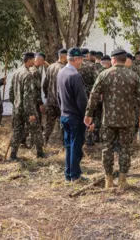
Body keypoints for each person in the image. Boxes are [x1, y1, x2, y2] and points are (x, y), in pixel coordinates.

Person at [85, 49, 140, 189]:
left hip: (108, 119)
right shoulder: (133, 76)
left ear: (113, 60)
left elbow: (94, 95)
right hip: (127, 120)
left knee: (107, 148)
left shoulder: (104, 74)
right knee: (125, 148)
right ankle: (122, 180)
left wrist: (88, 114)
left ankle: (109, 180)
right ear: (125, 60)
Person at [58, 48, 88, 182]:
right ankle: (75, 175)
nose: (82, 61)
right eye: (81, 59)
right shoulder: (75, 76)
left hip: (65, 114)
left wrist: (62, 110)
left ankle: (68, 173)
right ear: (76, 59)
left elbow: (58, 95)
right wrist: (87, 117)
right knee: (75, 146)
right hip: (75, 117)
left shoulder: (61, 72)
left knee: (69, 146)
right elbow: (82, 100)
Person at [8, 52, 45, 161]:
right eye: (33, 59)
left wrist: (15, 103)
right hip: (26, 109)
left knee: (17, 130)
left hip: (17, 108)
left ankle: (13, 155)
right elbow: (28, 96)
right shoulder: (27, 75)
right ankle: (40, 152)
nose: (34, 61)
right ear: (29, 60)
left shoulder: (17, 72)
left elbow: (11, 91)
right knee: (36, 129)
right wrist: (31, 113)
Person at [42, 49, 68, 144]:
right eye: (67, 56)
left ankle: (44, 141)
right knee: (63, 123)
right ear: (63, 56)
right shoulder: (64, 69)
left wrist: (47, 95)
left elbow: (45, 84)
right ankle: (65, 144)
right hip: (61, 102)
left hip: (51, 100)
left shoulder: (50, 67)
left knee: (49, 123)